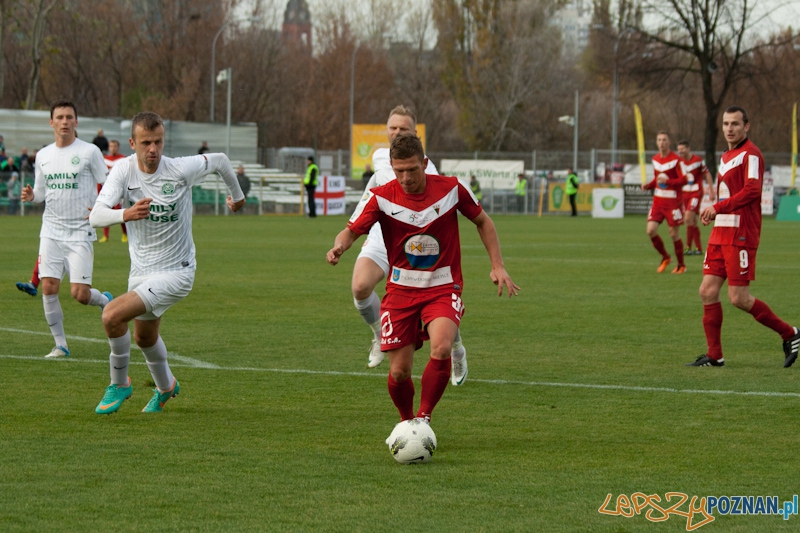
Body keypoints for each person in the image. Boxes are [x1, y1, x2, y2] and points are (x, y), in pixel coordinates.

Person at [326, 133, 519, 429]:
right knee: (400, 372)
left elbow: (483, 221)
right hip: (401, 291)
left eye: (412, 170)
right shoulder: (381, 196)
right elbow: (351, 231)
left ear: (425, 164)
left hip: (443, 286)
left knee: (441, 346)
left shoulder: (451, 188)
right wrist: (340, 246)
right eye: (399, 170)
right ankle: (408, 424)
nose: (405, 178)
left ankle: (424, 420)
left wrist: (498, 265)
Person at [89, 111, 245, 414]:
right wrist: (126, 214)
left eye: (158, 142)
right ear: (133, 143)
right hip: (141, 271)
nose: (153, 149)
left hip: (178, 271)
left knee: (111, 316)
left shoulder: (179, 169)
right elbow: (96, 215)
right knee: (144, 336)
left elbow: (222, 161)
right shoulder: (122, 171)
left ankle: (120, 383)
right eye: (146, 142)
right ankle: (166, 387)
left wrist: (236, 197)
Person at [352, 105, 467, 378]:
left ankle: (456, 348)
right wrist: (347, 237)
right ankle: (381, 336)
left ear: (415, 134)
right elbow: (368, 201)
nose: (396, 133)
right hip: (383, 234)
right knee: (360, 287)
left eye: (403, 129)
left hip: (416, 241)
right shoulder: (380, 157)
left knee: (434, 298)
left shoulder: (429, 167)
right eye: (392, 128)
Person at [687, 105, 800, 367]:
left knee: (739, 298)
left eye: (735, 124)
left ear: (746, 126)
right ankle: (715, 355)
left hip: (740, 234)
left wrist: (717, 207)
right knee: (707, 290)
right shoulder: (726, 155)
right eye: (726, 124)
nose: (730, 128)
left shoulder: (752, 155)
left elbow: (751, 191)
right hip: (720, 233)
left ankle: (790, 333)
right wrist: (715, 212)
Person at [20, 100, 113, 358]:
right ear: (51, 122)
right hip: (50, 230)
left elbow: (107, 183)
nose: (64, 122)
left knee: (80, 294)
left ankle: (104, 300)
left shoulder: (90, 152)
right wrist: (31, 196)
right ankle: (60, 344)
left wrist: (99, 207)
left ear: (76, 122)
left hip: (80, 231)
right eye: (59, 117)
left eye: (69, 117)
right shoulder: (43, 155)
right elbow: (41, 191)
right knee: (49, 287)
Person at [641, 131, 688, 274]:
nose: (662, 142)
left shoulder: (677, 160)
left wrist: (669, 181)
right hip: (658, 201)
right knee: (651, 230)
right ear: (656, 142)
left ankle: (681, 265)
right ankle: (666, 257)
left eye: (664, 140)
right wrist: (649, 185)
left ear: (669, 142)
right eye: (659, 140)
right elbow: (657, 178)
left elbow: (685, 180)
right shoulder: (655, 159)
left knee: (674, 234)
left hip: (673, 202)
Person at [677, 140, 715, 255]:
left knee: (688, 217)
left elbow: (707, 174)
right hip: (684, 193)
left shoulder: (698, 161)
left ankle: (688, 247)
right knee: (692, 221)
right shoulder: (679, 162)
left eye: (683, 149)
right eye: (679, 150)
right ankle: (698, 249)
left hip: (696, 193)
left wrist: (711, 190)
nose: (680, 151)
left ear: (688, 148)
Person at [98, 139, 128, 243]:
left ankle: (125, 234)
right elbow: (100, 177)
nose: (113, 148)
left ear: (118, 147)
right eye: (111, 146)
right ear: (109, 147)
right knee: (105, 212)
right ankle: (105, 236)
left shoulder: (123, 159)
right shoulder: (104, 160)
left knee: (121, 212)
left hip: (120, 191)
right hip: (107, 191)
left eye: (115, 146)